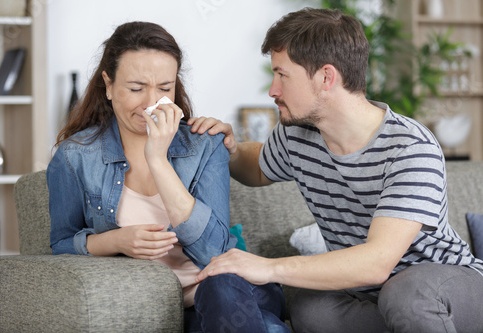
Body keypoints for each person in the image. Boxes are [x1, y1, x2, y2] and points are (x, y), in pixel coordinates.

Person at [190, 8, 483, 333]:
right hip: (376, 298)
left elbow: (376, 263)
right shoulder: (297, 134)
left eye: (282, 75)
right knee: (312, 308)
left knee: (408, 292)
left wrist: (269, 268)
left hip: (452, 290)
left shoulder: (410, 148)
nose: (273, 90)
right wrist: (227, 147)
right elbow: (258, 169)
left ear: (326, 77)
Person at [47, 21, 289, 333]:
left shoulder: (204, 144)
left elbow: (215, 253)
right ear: (107, 84)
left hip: (232, 291)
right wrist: (115, 240)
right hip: (161, 305)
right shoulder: (75, 156)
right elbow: (61, 245)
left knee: (220, 285)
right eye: (136, 89)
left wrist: (158, 160)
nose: (151, 103)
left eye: (164, 88)